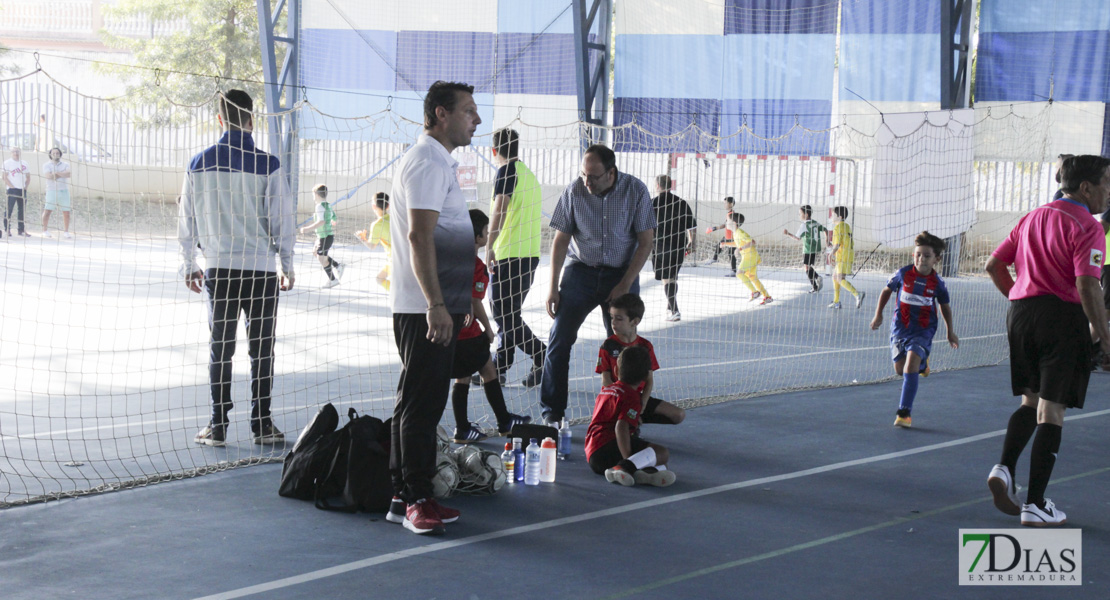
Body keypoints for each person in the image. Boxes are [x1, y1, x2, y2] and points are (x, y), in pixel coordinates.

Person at [984, 154, 1110, 527]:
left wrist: (1020, 298)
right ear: (1086, 187)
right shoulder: (1089, 226)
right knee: (1052, 412)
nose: (1109, 192)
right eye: (1107, 183)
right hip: (1061, 318)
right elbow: (1088, 285)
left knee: (1031, 400)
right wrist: (1105, 337)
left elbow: (993, 265)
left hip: (1021, 315)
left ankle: (1004, 468)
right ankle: (1035, 504)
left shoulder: (1032, 216)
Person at [384, 80, 480, 536]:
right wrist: (436, 304)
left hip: (435, 305)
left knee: (416, 402)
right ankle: (415, 499)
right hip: (425, 308)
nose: (476, 120)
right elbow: (419, 237)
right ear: (441, 114)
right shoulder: (426, 161)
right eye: (468, 111)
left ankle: (403, 494)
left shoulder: (438, 161)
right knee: (423, 407)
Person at [178, 89, 295, 447]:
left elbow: (187, 218)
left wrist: (189, 264)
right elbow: (282, 221)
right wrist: (287, 264)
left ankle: (218, 425)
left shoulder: (198, 163)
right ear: (252, 120)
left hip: (220, 270)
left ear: (219, 119)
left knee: (220, 347)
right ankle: (262, 424)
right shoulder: (269, 165)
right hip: (260, 272)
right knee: (262, 347)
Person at [540, 143, 656, 424]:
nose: (586, 182)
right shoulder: (574, 191)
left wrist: (626, 283)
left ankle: (625, 412)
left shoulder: (636, 191)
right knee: (559, 340)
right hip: (581, 272)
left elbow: (645, 242)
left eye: (592, 176)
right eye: (583, 175)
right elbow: (561, 240)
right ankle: (552, 414)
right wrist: (552, 287)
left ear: (611, 173)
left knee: (624, 348)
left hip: (621, 274)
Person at [449, 208, 532, 443]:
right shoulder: (476, 266)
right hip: (468, 332)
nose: (488, 234)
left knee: (464, 376)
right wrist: (487, 328)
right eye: (486, 231)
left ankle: (465, 427)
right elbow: (475, 301)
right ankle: (502, 421)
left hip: (452, 329)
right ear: (478, 238)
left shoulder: (452, 259)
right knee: (487, 370)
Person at [869, 231, 959, 428]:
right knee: (901, 370)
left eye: (927, 256)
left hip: (923, 331)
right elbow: (886, 291)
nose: (921, 259)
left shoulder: (938, 284)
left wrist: (949, 331)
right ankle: (923, 364)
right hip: (900, 329)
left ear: (936, 259)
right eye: (918, 254)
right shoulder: (903, 274)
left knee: (909, 367)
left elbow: (944, 307)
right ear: (913, 255)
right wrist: (879, 314)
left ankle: (904, 413)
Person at [486, 128, 546, 386]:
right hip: (528, 255)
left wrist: (489, 244)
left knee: (503, 315)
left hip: (509, 254)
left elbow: (500, 207)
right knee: (509, 314)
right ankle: (499, 369)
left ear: (494, 151)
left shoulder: (506, 171)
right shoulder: (529, 175)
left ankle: (541, 353)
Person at [585, 345, 676, 487]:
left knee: (659, 465)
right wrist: (629, 462)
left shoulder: (607, 390)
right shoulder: (632, 397)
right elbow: (620, 427)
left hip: (593, 455)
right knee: (662, 453)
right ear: (646, 377)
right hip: (610, 449)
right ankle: (625, 468)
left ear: (616, 370)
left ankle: (642, 475)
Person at [596, 293, 686, 426]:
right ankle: (625, 425)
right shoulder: (608, 346)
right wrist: (627, 404)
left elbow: (649, 380)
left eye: (619, 319)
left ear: (635, 321)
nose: (613, 323)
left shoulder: (645, 346)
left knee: (678, 415)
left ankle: (636, 421)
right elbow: (606, 381)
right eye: (612, 318)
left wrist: (641, 405)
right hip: (616, 398)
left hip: (637, 398)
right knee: (625, 423)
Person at [651, 175, 697, 321]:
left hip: (661, 245)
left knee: (667, 278)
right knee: (672, 277)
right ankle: (669, 306)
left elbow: (647, 227)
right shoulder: (681, 203)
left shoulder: (653, 203)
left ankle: (674, 311)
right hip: (679, 245)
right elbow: (691, 225)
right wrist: (692, 241)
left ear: (657, 186)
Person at [300, 183, 344, 289]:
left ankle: (333, 280)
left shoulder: (319, 206)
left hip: (325, 237)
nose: (313, 197)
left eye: (313, 195)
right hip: (324, 236)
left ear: (316, 194)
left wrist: (307, 229)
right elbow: (334, 216)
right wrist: (333, 220)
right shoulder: (328, 204)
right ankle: (337, 265)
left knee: (322, 259)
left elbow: (321, 221)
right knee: (315, 252)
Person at [723, 212, 772, 305]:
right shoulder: (735, 233)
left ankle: (755, 292)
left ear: (734, 223)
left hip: (750, 256)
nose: (726, 222)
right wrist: (725, 244)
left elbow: (752, 242)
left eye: (728, 220)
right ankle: (767, 296)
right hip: (750, 256)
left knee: (739, 273)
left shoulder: (740, 233)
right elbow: (738, 243)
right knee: (753, 277)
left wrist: (739, 249)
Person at [782, 204, 825, 293]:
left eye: (800, 213)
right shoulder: (815, 222)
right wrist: (827, 241)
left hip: (808, 248)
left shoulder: (804, 225)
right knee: (807, 266)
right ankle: (815, 286)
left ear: (806, 215)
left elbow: (797, 238)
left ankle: (817, 278)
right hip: (815, 248)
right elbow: (825, 229)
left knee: (806, 267)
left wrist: (788, 234)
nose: (799, 215)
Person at [827, 206, 864, 309]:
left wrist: (831, 254)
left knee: (839, 278)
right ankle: (836, 302)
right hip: (847, 255)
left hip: (843, 257)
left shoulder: (838, 227)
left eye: (833, 215)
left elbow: (837, 244)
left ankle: (857, 294)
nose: (831, 217)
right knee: (835, 277)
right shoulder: (846, 226)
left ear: (840, 217)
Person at [356, 192, 391, 291]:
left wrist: (362, 238)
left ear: (373, 206)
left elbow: (372, 246)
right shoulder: (395, 219)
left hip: (394, 260)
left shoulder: (377, 225)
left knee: (380, 279)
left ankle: (398, 296)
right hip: (404, 257)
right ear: (388, 206)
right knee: (380, 279)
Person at [41, 148, 73, 239]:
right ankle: (45, 230)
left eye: (57, 153)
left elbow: (68, 174)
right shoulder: (46, 165)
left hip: (64, 190)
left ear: (60, 154)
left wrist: (57, 173)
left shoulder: (66, 164)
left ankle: (66, 231)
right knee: (47, 211)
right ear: (50, 154)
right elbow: (49, 176)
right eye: (53, 153)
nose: (56, 154)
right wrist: (61, 174)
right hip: (51, 190)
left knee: (66, 212)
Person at [703, 196, 737, 275]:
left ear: (731, 204)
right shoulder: (729, 213)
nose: (724, 205)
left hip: (732, 237)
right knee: (719, 246)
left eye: (725, 203)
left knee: (731, 253)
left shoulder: (731, 214)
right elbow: (726, 225)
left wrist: (713, 228)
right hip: (728, 236)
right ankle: (715, 259)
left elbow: (726, 225)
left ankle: (733, 271)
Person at [4, 147, 31, 238]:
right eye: (14, 151)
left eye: (17, 151)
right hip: (12, 190)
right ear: (11, 153)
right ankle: (7, 229)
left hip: (22, 190)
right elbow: (4, 177)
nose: (16, 153)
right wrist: (12, 187)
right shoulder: (7, 163)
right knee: (9, 210)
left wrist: (25, 187)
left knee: (22, 210)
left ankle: (21, 229)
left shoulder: (24, 163)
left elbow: (28, 176)